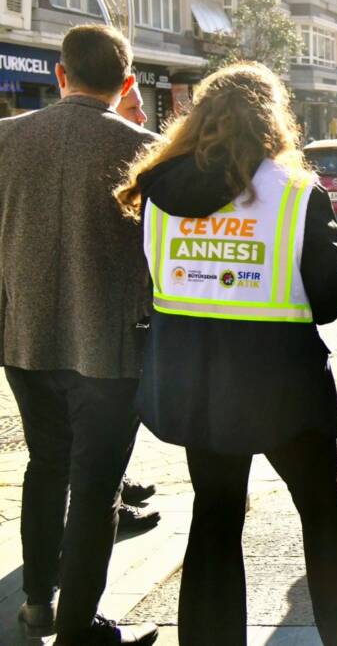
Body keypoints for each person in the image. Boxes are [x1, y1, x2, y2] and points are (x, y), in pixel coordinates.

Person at [114, 63, 337, 645]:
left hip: (197, 384)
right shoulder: (291, 193)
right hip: (283, 385)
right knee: (321, 513)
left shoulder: (158, 186)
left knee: (214, 518)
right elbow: (332, 297)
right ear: (271, 121)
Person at [0, 25, 159, 645]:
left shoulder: (6, 139)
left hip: (25, 340)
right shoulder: (143, 149)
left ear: (60, 75)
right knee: (95, 490)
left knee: (45, 468)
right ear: (125, 84)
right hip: (109, 349)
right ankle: (79, 630)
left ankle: (39, 604)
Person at [110, 81, 161, 536]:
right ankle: (110, 504)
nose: (142, 119)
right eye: (134, 108)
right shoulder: (144, 158)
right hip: (114, 322)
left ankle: (118, 489)